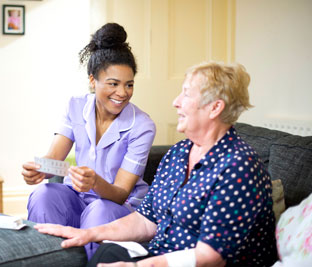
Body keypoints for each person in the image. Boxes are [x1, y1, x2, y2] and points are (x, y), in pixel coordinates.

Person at [34, 61, 278, 267]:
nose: (176, 102)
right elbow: (145, 219)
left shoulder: (239, 166)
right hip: (161, 256)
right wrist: (87, 234)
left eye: (186, 94)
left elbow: (211, 256)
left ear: (215, 107)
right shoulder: (178, 154)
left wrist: (139, 266)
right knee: (106, 256)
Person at [22, 23, 156, 260]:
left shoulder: (142, 125)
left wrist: (94, 182)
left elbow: (120, 194)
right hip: (78, 197)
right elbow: (54, 158)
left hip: (117, 208)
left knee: (99, 209)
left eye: (129, 84)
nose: (122, 92)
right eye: (113, 83)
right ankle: (50, 261)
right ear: (93, 81)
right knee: (44, 194)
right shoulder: (75, 106)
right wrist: (39, 171)